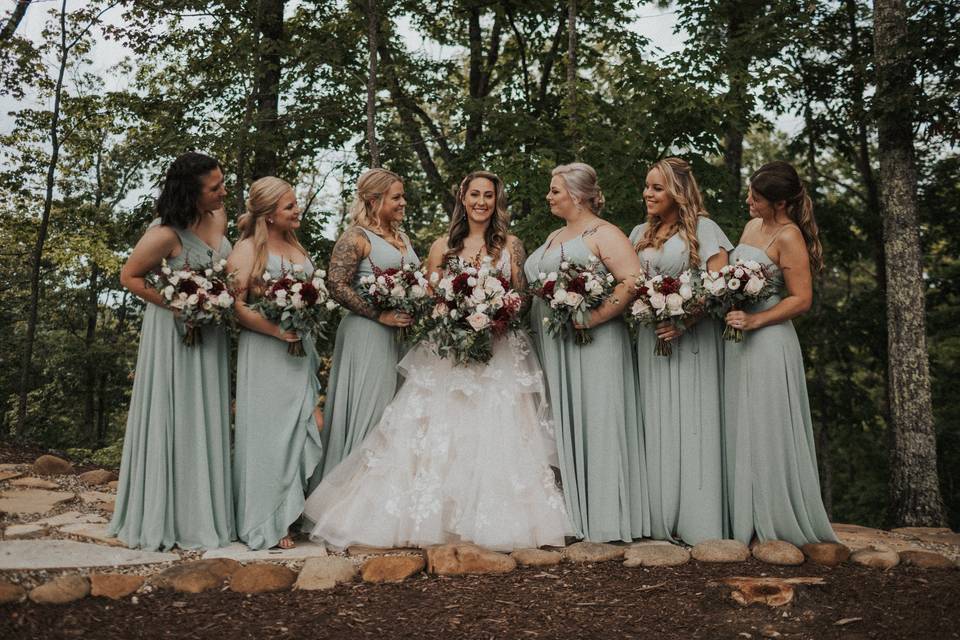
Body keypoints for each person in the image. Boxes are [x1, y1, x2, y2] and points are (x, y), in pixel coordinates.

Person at [303, 171, 571, 551]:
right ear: (463, 199)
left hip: (499, 350)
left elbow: (523, 296)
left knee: (501, 432)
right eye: (474, 194)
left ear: (497, 202)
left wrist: (498, 315)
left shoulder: (511, 245)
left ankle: (499, 524)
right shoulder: (441, 246)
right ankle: (431, 521)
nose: (481, 202)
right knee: (434, 432)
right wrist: (454, 317)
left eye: (489, 196)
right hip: (451, 353)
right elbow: (430, 300)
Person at [109, 151, 235, 550]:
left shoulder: (219, 218)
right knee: (177, 415)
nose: (223, 191)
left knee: (205, 417)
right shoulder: (166, 233)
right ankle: (167, 516)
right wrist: (182, 304)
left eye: (221, 182)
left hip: (210, 334)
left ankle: (203, 514)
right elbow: (129, 276)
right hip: (174, 334)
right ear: (190, 193)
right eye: (214, 188)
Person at [524, 162, 650, 542]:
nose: (548, 196)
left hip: (594, 344)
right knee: (563, 424)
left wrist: (595, 316)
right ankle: (571, 516)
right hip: (555, 344)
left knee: (598, 420)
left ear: (577, 196)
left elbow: (632, 281)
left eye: (555, 190)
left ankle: (607, 519)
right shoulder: (555, 234)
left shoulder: (605, 233)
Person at [723, 160, 837, 546]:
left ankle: (773, 517)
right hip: (737, 333)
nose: (749, 202)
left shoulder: (789, 237)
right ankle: (744, 515)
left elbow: (801, 299)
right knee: (741, 423)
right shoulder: (753, 227)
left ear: (780, 203)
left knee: (767, 424)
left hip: (769, 339)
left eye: (756, 198)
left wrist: (757, 321)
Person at [629, 157, 732, 545]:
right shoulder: (639, 232)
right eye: (647, 186)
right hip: (649, 338)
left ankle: (698, 519)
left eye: (657, 187)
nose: (648, 193)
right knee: (653, 420)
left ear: (678, 191)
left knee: (693, 422)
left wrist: (686, 319)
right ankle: (659, 518)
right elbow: (623, 281)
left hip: (693, 342)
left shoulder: (704, 229)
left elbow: (721, 287)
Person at [229, 177, 325, 550]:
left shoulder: (297, 247)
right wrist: (273, 330)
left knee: (302, 427)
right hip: (267, 349)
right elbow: (235, 307)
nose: (296, 209)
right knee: (270, 436)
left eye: (295, 203)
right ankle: (268, 520)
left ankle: (291, 511)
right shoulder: (247, 249)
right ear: (268, 215)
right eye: (289, 206)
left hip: (299, 350)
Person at [314, 168, 420, 481]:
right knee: (371, 410)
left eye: (403, 196)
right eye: (396, 197)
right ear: (374, 201)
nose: (403, 202)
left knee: (396, 411)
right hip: (367, 333)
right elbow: (336, 284)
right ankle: (346, 493)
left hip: (400, 335)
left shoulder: (403, 237)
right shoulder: (356, 237)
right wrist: (379, 315)